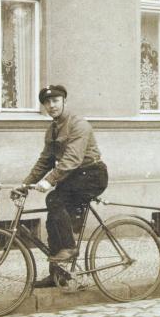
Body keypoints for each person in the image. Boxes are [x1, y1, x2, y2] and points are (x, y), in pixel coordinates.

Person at [18, 85, 108, 288]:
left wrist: (49, 180)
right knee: (52, 219)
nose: (51, 106)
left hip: (92, 174)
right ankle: (58, 275)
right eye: (47, 103)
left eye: (55, 101)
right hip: (74, 175)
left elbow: (72, 159)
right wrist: (25, 183)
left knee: (54, 199)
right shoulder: (52, 130)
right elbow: (45, 160)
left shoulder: (78, 124)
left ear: (64, 101)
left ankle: (69, 247)